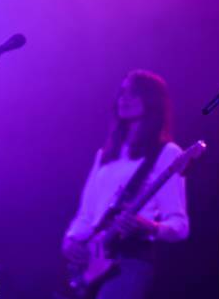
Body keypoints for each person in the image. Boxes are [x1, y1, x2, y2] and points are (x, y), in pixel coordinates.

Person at [62, 70, 189, 299]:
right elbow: (86, 215)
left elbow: (179, 224)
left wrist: (148, 226)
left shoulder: (167, 153)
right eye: (122, 93)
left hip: (130, 262)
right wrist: (71, 239)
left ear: (152, 101)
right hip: (93, 264)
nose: (124, 98)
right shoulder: (105, 155)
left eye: (134, 93)